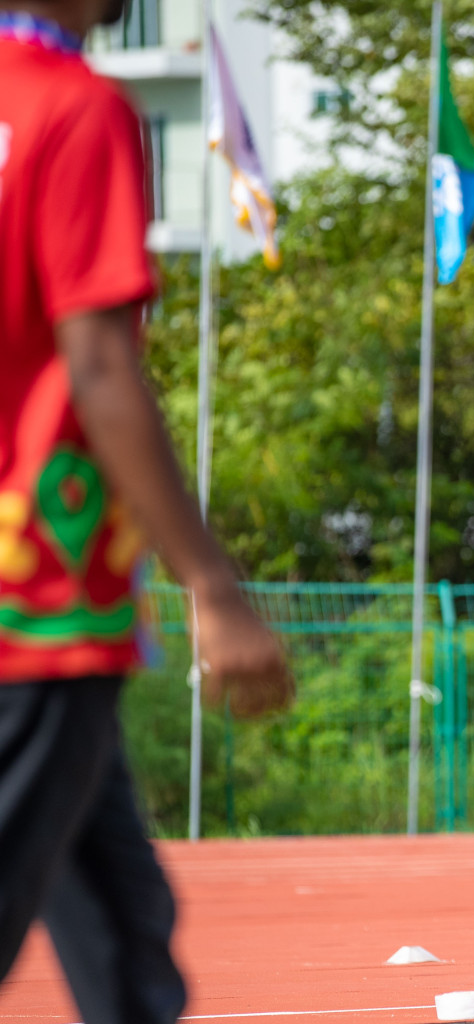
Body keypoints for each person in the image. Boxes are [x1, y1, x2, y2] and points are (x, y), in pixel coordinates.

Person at [0, 1, 294, 1016]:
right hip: (35, 599)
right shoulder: (72, 108)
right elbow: (99, 367)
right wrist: (212, 584)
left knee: (124, 926)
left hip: (44, 612)